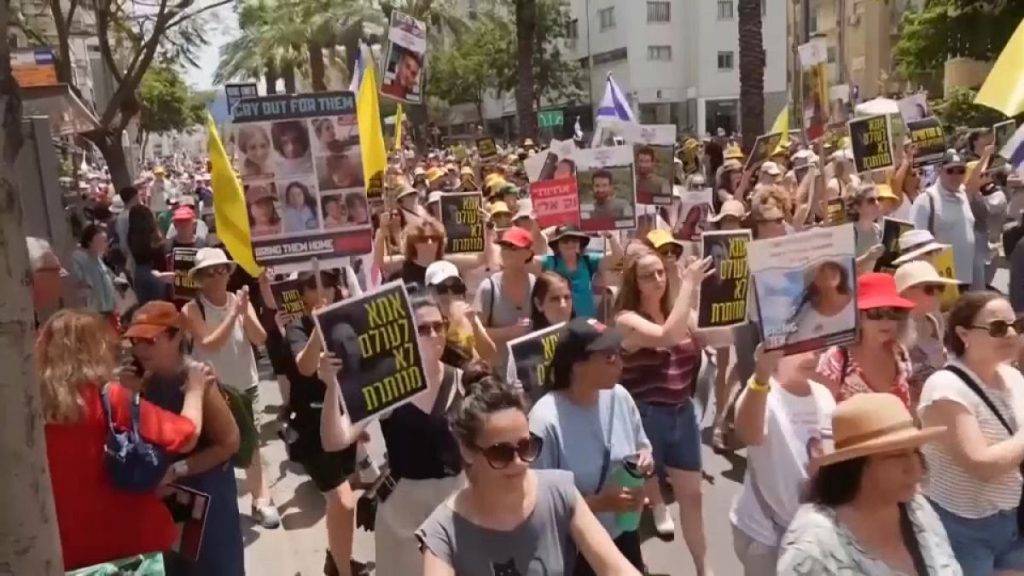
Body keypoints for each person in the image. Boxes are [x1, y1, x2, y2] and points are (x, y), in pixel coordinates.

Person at [415, 375, 643, 575]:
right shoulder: (442, 533)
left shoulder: (559, 491)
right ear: (468, 450)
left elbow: (615, 568)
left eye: (526, 447)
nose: (518, 463)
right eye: (501, 453)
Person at [38, 310, 208, 571]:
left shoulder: (24, 412)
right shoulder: (110, 398)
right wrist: (196, 389)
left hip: (64, 557)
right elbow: (187, 435)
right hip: (131, 552)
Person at [322, 295, 466, 575]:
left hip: (455, 507)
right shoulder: (388, 384)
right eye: (423, 328)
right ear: (406, 333)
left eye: (439, 326)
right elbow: (334, 440)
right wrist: (330, 387)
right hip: (402, 515)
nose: (434, 334)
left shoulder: (464, 381)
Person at [777, 393, 958, 575]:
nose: (915, 468)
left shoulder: (918, 509)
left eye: (915, 452)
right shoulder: (813, 546)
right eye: (896, 456)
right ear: (854, 466)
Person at [126, 301, 245, 575]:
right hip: (168, 498)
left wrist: (179, 469)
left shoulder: (198, 378)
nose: (139, 349)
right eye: (135, 340)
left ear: (176, 335)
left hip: (209, 496)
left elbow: (229, 443)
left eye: (149, 340)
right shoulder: (145, 379)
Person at [614, 253, 715, 576]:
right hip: (643, 419)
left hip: (682, 414)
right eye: (648, 275)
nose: (658, 279)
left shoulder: (680, 311)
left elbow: (715, 337)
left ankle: (703, 568)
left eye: (660, 272)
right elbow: (667, 336)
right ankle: (630, 565)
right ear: (634, 283)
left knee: (693, 497)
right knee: (630, 504)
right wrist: (688, 285)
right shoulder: (626, 319)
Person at [530, 317, 654, 575]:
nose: (620, 363)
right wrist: (600, 503)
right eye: (609, 358)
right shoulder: (544, 421)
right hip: (576, 550)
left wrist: (645, 460)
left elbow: (643, 446)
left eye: (618, 354)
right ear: (577, 366)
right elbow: (539, 505)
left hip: (624, 533)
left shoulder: (620, 397)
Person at [917, 291, 1024, 575]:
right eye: (998, 328)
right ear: (963, 334)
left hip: (1012, 520)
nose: (1012, 334)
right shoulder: (945, 388)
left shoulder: (1013, 378)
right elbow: (982, 465)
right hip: (962, 526)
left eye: (1017, 326)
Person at [182, 247, 280, 528]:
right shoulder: (191, 309)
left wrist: (243, 312)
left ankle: (261, 499)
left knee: (252, 444)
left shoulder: (239, 301)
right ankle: (220, 507)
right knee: (218, 449)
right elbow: (209, 343)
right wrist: (232, 313)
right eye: (210, 272)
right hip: (214, 390)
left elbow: (259, 337)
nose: (217, 276)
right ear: (199, 278)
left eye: (222, 269)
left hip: (246, 383)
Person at [283, 269, 372, 576]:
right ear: (302, 292)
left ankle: (337, 560)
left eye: (331, 283)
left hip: (342, 422)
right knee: (343, 501)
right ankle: (342, 571)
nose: (323, 289)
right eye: (312, 284)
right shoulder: (297, 324)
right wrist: (319, 329)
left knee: (344, 498)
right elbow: (305, 367)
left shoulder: (348, 322)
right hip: (311, 427)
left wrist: (360, 420)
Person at [730, 345, 835, 575]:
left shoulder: (824, 395)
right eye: (802, 348)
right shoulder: (763, 394)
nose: (812, 355)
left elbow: (831, 454)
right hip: (765, 534)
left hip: (810, 535)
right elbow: (749, 434)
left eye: (817, 348)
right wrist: (761, 376)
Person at [817, 273, 916, 408]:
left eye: (894, 312)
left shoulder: (900, 353)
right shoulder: (838, 357)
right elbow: (823, 410)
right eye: (875, 313)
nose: (885, 321)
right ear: (857, 317)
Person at [911, 150, 975, 289]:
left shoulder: (963, 196)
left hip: (965, 278)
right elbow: (914, 243)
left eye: (961, 170)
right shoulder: (927, 200)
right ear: (939, 171)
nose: (956, 175)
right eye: (950, 170)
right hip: (938, 280)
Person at [535, 225, 622, 320]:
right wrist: (543, 235)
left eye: (574, 240)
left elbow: (617, 256)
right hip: (560, 322)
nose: (570, 244)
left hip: (587, 321)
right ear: (557, 245)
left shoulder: (588, 261)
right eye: (565, 241)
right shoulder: (549, 262)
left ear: (580, 244)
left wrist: (610, 236)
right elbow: (526, 259)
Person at [474, 227, 537, 359]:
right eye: (504, 248)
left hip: (530, 368)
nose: (507, 253)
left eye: (513, 248)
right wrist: (509, 332)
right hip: (498, 371)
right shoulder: (488, 288)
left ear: (528, 253)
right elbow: (476, 332)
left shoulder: (536, 285)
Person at [895, 261, 957, 391]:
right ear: (905, 292)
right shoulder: (895, 328)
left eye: (940, 288)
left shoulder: (934, 320)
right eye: (929, 289)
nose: (938, 294)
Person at [425, 261, 496, 366]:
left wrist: (474, 326)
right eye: (442, 288)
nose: (449, 293)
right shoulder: (425, 322)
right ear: (429, 291)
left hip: (471, 378)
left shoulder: (467, 315)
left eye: (455, 287)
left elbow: (489, 354)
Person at [785, 260, 855, 345]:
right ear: (814, 280)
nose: (828, 273)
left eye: (832, 267)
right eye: (822, 270)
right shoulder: (806, 321)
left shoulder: (858, 304)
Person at [127, 204, 172, 304]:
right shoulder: (153, 234)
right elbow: (159, 251)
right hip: (155, 271)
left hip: (139, 271)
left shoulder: (131, 236)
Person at [71, 224, 117, 321]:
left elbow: (108, 277)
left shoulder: (98, 259)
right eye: (101, 241)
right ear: (89, 241)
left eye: (105, 241)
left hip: (107, 309)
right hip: (93, 311)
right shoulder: (79, 258)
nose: (105, 245)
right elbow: (77, 282)